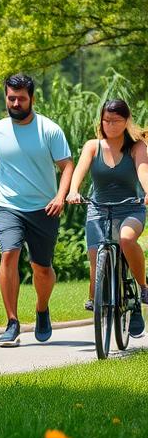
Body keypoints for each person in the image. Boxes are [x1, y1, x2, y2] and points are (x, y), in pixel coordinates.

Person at [0, 74, 73, 347]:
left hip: (44, 207)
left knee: (41, 268)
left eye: (21, 98)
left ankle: (42, 309)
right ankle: (12, 322)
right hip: (7, 204)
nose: (16, 103)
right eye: (11, 98)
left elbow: (67, 166)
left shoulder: (49, 129)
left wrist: (60, 196)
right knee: (9, 254)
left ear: (32, 98)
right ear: (5, 97)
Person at [66, 98, 148, 338]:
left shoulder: (137, 146)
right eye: (106, 120)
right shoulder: (93, 146)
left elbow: (143, 170)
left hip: (130, 208)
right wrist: (73, 191)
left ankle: (142, 288)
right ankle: (97, 297)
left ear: (126, 121)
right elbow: (80, 171)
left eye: (116, 121)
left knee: (126, 239)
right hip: (98, 208)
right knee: (95, 258)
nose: (110, 125)